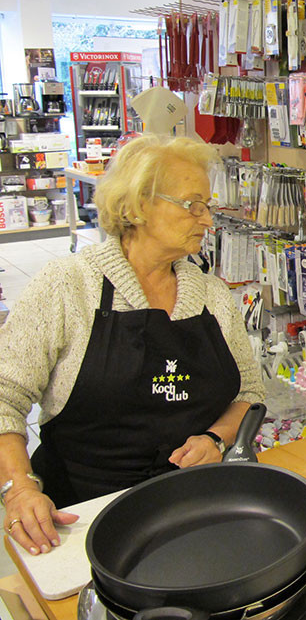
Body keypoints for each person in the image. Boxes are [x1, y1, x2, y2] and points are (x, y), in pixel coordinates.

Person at [0, 136, 264, 555]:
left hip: (194, 507)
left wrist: (216, 440)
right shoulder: (68, 286)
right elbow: (4, 399)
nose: (208, 220)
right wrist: (19, 490)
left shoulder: (211, 295)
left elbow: (249, 394)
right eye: (193, 204)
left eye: (207, 205)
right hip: (81, 519)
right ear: (139, 204)